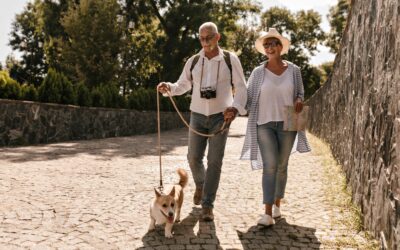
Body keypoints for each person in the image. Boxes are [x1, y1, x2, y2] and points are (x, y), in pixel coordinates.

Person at [157, 22, 247, 221]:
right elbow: (183, 85)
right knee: (193, 157)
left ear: (218, 37)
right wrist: (168, 88)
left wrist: (234, 108)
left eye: (209, 38)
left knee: (214, 162)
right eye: (202, 38)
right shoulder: (194, 61)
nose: (205, 42)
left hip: (221, 116)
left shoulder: (230, 60)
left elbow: (241, 87)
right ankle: (201, 183)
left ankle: (208, 205)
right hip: (197, 115)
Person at [240, 28, 311, 226]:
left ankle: (277, 204)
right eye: (266, 45)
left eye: (273, 44)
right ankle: (267, 213)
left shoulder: (294, 71)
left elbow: (300, 92)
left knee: (282, 166)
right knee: (270, 166)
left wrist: (299, 99)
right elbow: (248, 96)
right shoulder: (257, 72)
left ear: (281, 47)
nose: (269, 48)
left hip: (288, 122)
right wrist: (233, 107)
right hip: (264, 124)